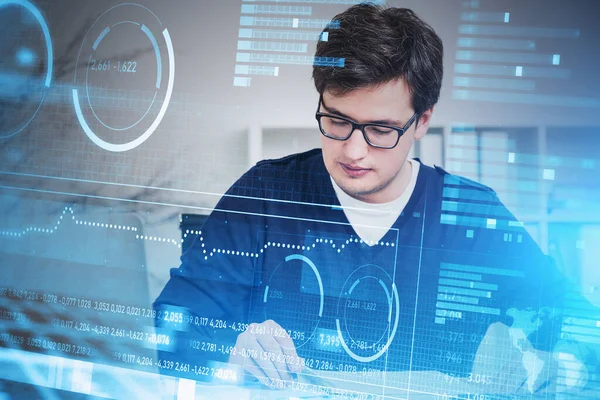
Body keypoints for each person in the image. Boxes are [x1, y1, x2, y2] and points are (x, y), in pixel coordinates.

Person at [154, 3, 598, 397]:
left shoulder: (472, 217)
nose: (353, 151)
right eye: (336, 120)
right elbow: (175, 323)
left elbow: (579, 326)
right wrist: (231, 349)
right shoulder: (266, 195)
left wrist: (565, 366)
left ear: (422, 121)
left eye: (381, 130)